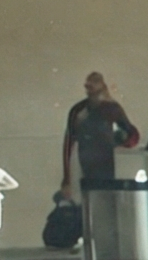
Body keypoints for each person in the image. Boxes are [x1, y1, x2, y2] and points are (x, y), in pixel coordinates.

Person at [58, 70, 139, 202]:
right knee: (92, 196)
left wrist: (122, 140)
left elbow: (132, 135)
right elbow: (68, 143)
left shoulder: (111, 108)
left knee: (105, 196)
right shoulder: (80, 110)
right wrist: (67, 178)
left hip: (105, 160)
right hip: (87, 160)